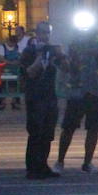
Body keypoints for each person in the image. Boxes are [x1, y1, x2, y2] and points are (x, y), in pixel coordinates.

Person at [55, 27, 98, 174]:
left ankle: (87, 163)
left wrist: (96, 54)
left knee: (93, 129)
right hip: (78, 91)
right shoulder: (75, 44)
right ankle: (60, 161)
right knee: (68, 127)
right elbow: (70, 68)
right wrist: (69, 58)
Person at [20, 21, 64, 179]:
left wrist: (60, 55)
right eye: (43, 32)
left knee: (48, 133)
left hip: (49, 96)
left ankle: (43, 164)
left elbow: (66, 68)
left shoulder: (51, 51)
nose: (46, 36)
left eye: (48, 33)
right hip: (35, 97)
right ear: (37, 33)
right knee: (35, 132)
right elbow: (29, 73)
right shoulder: (29, 51)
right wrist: (39, 58)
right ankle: (32, 167)